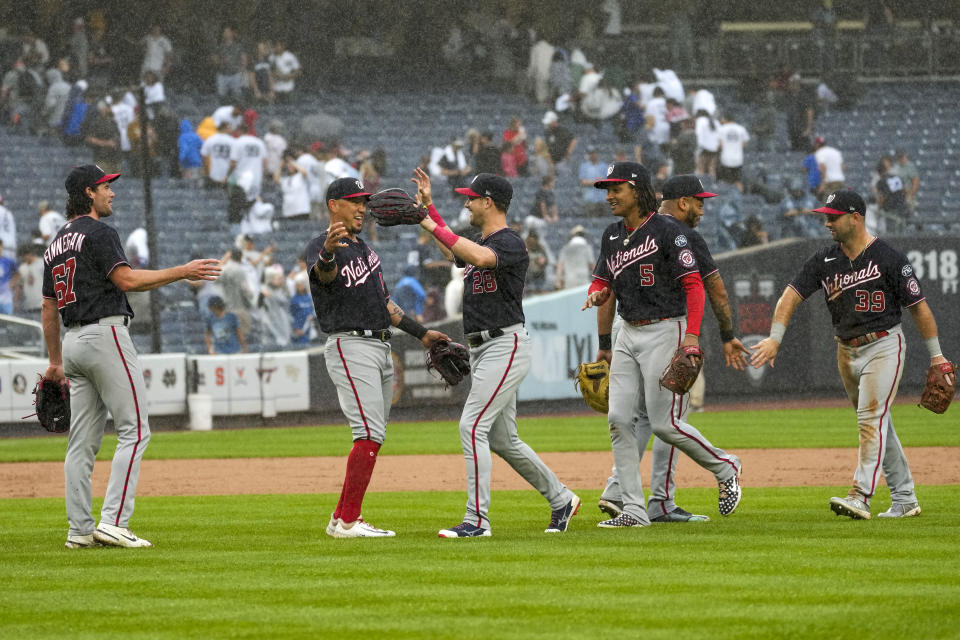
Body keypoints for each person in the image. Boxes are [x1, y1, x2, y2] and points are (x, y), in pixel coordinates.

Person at [43, 165, 220, 549]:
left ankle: (79, 531)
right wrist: (182, 271)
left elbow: (47, 306)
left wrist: (55, 361)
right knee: (135, 430)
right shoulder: (100, 232)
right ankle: (113, 522)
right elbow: (127, 280)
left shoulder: (55, 242)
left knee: (81, 444)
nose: (113, 192)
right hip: (104, 333)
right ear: (88, 192)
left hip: (72, 341)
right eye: (107, 186)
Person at [750, 189, 950, 520]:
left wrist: (937, 356)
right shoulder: (824, 260)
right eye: (825, 216)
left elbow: (919, 309)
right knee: (879, 421)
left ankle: (860, 495)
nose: (827, 222)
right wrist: (774, 338)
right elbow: (789, 296)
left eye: (833, 216)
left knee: (869, 419)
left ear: (856, 217)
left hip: (884, 344)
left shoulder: (888, 257)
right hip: (846, 349)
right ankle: (904, 498)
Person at [413, 168, 580, 538]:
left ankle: (477, 520)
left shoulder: (509, 242)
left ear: (488, 202)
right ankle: (561, 498)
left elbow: (479, 257)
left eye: (471, 198)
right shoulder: (478, 240)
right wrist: (429, 211)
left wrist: (427, 220)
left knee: (471, 426)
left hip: (505, 344)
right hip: (484, 347)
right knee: (504, 440)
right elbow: (456, 248)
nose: (467, 203)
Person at [582, 162, 742, 528]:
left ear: (637, 190)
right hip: (628, 330)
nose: (608, 196)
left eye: (615, 189)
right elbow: (602, 283)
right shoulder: (611, 235)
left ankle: (726, 466)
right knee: (619, 419)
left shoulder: (670, 232)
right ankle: (635, 511)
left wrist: (691, 337)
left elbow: (696, 287)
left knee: (664, 424)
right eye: (606, 189)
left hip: (666, 328)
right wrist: (599, 307)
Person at [306, 177, 450, 538]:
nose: (361, 207)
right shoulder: (322, 247)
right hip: (350, 343)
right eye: (353, 200)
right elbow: (324, 276)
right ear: (333, 205)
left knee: (375, 435)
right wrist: (326, 253)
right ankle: (350, 522)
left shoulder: (366, 249)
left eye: (364, 201)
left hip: (381, 345)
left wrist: (423, 334)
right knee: (367, 433)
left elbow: (387, 305)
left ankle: (340, 518)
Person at [875, 156, 909, 234]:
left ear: (878, 172)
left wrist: (879, 207)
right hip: (902, 207)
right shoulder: (896, 177)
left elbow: (881, 198)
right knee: (902, 232)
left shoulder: (881, 181)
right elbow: (905, 190)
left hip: (891, 208)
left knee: (892, 233)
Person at [717, 113, 750, 193]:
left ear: (725, 119)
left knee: (726, 180)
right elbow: (745, 144)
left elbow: (720, 145)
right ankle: (740, 196)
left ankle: (726, 197)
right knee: (738, 180)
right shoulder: (741, 129)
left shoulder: (722, 129)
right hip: (738, 159)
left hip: (726, 159)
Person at [555, 225, 594, 290]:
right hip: (583, 280)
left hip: (569, 281)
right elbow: (592, 266)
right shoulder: (587, 248)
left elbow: (560, 266)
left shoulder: (565, 249)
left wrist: (558, 281)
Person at [213, 26, 246, 99]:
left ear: (232, 33)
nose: (226, 34)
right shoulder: (219, 46)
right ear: (223, 34)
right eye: (225, 32)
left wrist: (241, 70)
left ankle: (236, 109)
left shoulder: (238, 46)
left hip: (235, 74)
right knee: (221, 95)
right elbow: (214, 59)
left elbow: (244, 58)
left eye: (228, 32)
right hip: (222, 75)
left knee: (237, 95)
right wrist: (222, 61)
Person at [200, 121, 236, 188]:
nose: (231, 130)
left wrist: (206, 170)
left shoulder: (210, 139)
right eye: (229, 128)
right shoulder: (232, 141)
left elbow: (203, 155)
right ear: (225, 128)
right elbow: (236, 159)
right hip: (228, 175)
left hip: (213, 174)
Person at [579, 146, 608, 217]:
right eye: (591, 153)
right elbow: (583, 182)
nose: (593, 155)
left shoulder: (604, 166)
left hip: (603, 198)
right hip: (590, 199)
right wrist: (595, 182)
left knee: (605, 220)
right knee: (591, 220)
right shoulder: (584, 166)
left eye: (594, 153)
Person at [14, 244, 43, 314]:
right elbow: (20, 286)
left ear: (30, 254)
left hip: (43, 304)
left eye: (24, 256)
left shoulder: (42, 263)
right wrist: (15, 301)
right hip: (29, 306)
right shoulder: (22, 268)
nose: (23, 258)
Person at [288, 271, 314, 346]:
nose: (299, 287)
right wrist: (296, 328)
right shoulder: (294, 299)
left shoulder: (309, 297)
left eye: (301, 285)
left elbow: (312, 310)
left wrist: (311, 316)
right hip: (299, 329)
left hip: (309, 328)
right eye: (297, 285)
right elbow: (292, 314)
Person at [0, 239, 16, 314]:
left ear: (2, 247)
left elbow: (19, 273)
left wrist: (12, 283)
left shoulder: (8, 261)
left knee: (7, 322)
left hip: (6, 299)